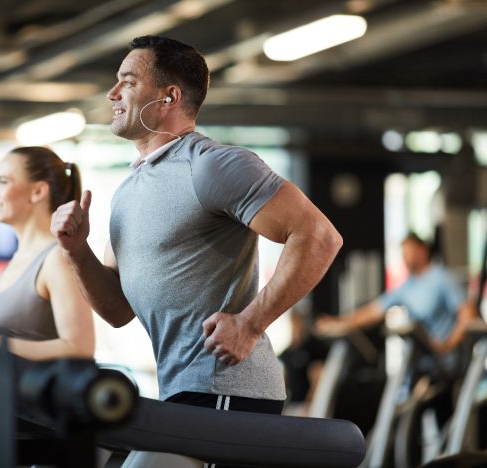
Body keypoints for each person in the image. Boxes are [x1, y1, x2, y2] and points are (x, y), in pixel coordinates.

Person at [51, 35, 341, 421]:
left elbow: (319, 236)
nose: (112, 93)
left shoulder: (210, 165)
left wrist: (251, 324)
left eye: (129, 81)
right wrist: (77, 250)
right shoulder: (128, 191)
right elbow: (118, 310)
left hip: (226, 390)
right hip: (182, 390)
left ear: (168, 97)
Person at [0, 146, 95, 361]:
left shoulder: (56, 258)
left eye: (3, 181)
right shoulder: (20, 257)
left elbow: (80, 348)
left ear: (38, 192)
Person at [314, 232, 477, 353]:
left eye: (408, 253)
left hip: (447, 361)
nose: (404, 258)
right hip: (422, 359)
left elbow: (468, 315)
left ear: (422, 251)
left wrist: (447, 345)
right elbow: (374, 310)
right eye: (403, 254)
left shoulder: (442, 278)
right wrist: (339, 321)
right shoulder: (408, 285)